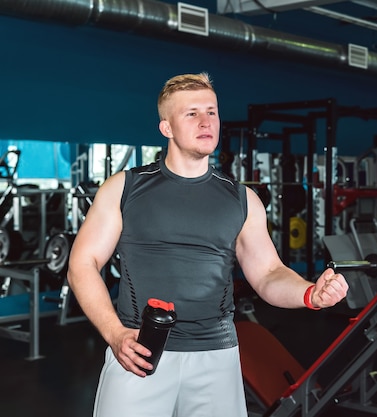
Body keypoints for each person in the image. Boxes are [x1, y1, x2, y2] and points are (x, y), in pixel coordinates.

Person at [67, 72, 349, 417]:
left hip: (216, 356)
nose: (206, 121)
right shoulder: (124, 188)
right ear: (166, 128)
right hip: (139, 350)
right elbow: (83, 264)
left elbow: (269, 273)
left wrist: (310, 294)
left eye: (212, 112)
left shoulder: (241, 198)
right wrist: (114, 334)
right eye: (192, 113)